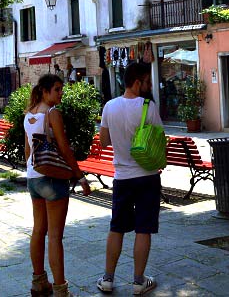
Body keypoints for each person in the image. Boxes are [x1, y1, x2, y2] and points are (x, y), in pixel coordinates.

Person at [97, 61, 161, 295]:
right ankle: (138, 281)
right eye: (146, 81)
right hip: (147, 176)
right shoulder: (148, 106)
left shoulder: (109, 107)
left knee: (117, 228)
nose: (148, 85)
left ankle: (108, 279)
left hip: (121, 177)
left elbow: (104, 141)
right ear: (137, 81)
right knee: (143, 229)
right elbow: (159, 139)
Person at [25, 73, 91, 297]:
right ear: (45, 91)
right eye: (57, 89)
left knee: (38, 230)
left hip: (33, 178)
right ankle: (61, 289)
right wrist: (80, 176)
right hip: (52, 179)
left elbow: (28, 152)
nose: (61, 93)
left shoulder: (29, 115)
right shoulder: (52, 113)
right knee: (54, 236)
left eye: (61, 89)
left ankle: (38, 282)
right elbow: (63, 148)